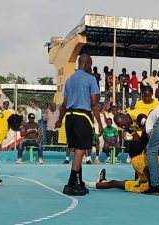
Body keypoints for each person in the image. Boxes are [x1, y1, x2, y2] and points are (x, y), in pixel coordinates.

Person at [55, 54, 103, 196]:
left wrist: (59, 120)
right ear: (87, 64)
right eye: (91, 65)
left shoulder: (69, 80)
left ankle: (78, 181)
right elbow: (94, 103)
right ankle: (73, 183)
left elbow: (64, 104)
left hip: (69, 117)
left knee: (76, 149)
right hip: (83, 116)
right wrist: (99, 122)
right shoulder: (91, 79)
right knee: (81, 150)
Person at [0, 112, 22, 185]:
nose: (19, 127)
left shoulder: (9, 115)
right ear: (13, 124)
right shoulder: (3, 128)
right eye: (18, 125)